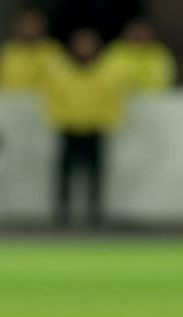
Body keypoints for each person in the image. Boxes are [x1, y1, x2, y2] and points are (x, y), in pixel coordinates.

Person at [43, 28, 123, 228]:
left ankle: (95, 213)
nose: (84, 48)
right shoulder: (63, 72)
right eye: (81, 44)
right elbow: (53, 100)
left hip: (94, 130)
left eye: (88, 44)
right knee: (65, 174)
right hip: (69, 130)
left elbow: (113, 100)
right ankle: (62, 213)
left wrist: (105, 120)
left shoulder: (105, 72)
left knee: (95, 175)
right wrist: (62, 119)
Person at [101, 18, 176, 92]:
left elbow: (164, 77)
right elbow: (107, 75)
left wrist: (140, 85)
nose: (138, 35)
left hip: (151, 95)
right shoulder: (116, 50)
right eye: (135, 32)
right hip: (119, 95)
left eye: (142, 32)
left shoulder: (158, 52)